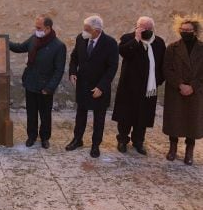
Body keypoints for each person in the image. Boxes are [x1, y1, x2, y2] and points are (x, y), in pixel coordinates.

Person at [9, 15, 66, 149]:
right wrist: (5, 42)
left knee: (45, 115)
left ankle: (45, 138)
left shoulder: (58, 46)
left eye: (39, 27)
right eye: (36, 27)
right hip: (31, 83)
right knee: (31, 112)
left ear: (48, 28)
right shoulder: (34, 39)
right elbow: (19, 47)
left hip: (45, 87)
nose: (36, 30)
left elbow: (59, 70)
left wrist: (50, 87)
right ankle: (32, 136)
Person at [66, 15, 119, 158]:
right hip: (83, 83)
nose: (84, 31)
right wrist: (72, 72)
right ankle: (77, 139)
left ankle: (96, 145)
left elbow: (112, 67)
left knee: (99, 117)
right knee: (81, 114)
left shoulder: (110, 43)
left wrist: (101, 87)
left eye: (87, 29)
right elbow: (74, 57)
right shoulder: (81, 38)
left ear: (96, 30)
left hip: (99, 86)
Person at [112, 17, 166, 155]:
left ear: (152, 29)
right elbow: (124, 52)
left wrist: (157, 81)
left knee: (143, 116)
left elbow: (162, 65)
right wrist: (136, 39)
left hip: (148, 88)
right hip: (129, 86)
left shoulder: (159, 42)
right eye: (141, 27)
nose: (144, 30)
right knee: (126, 115)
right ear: (136, 27)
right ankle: (122, 140)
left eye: (148, 28)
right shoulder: (127, 38)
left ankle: (138, 141)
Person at [163, 14, 203, 165]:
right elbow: (166, 69)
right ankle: (172, 149)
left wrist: (193, 86)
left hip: (196, 92)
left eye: (188, 29)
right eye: (182, 29)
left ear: (195, 31)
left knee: (192, 122)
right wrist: (180, 84)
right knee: (174, 121)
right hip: (176, 91)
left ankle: (189, 152)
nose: (184, 31)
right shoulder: (172, 48)